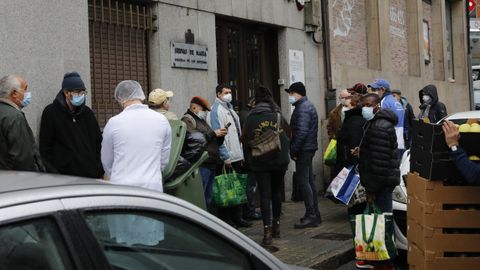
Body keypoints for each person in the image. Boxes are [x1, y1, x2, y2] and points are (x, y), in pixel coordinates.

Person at [101, 80, 172, 192]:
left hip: (122, 189)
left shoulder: (113, 123)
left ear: (121, 99)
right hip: (152, 188)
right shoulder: (162, 121)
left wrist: (117, 175)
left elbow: (107, 160)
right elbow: (163, 160)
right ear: (141, 96)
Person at [243, 86, 290, 245]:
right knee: (276, 193)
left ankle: (266, 232)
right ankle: (276, 227)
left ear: (256, 99)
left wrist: (248, 157)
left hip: (260, 160)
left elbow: (245, 139)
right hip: (279, 160)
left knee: (264, 195)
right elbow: (289, 135)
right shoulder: (278, 115)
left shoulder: (251, 117)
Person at [39, 72, 103, 178]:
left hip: (90, 175)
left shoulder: (87, 113)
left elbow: (98, 141)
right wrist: (54, 173)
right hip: (64, 177)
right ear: (66, 92)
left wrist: (98, 168)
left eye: (83, 91)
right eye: (77, 92)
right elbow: (45, 147)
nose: (81, 95)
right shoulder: (51, 112)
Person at [207, 84, 251, 228]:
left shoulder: (230, 108)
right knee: (226, 188)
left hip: (237, 154)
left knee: (236, 187)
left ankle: (237, 218)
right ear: (218, 94)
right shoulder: (216, 110)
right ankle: (227, 220)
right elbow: (218, 135)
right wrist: (226, 157)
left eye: (230, 92)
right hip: (227, 157)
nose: (229, 95)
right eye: (226, 92)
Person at [285, 82, 321, 228]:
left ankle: (311, 215)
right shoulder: (305, 106)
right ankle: (315, 214)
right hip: (308, 148)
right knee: (309, 182)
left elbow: (301, 132)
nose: (289, 96)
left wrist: (293, 150)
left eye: (291, 93)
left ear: (298, 93)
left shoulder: (303, 109)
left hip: (304, 149)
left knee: (303, 182)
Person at [181, 96, 227, 209]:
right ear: (194, 108)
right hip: (202, 164)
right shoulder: (187, 120)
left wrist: (220, 136)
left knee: (208, 197)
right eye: (203, 110)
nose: (205, 113)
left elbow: (211, 138)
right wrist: (214, 134)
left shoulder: (202, 121)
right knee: (201, 197)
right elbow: (195, 139)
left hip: (211, 162)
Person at [358, 94, 400, 213]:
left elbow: (379, 164)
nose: (365, 108)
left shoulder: (379, 127)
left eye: (369, 105)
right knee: (383, 217)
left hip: (381, 183)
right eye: (364, 105)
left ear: (377, 106)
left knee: (382, 220)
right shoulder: (375, 123)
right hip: (383, 181)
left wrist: (371, 190)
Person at [0, 75, 43, 171]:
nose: (28, 94)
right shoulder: (14, 117)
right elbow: (23, 158)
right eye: (25, 89)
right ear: (14, 93)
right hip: (16, 181)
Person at [368, 78, 405, 156]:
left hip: (389, 144)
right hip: (400, 142)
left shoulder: (384, 102)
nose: (373, 91)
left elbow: (382, 124)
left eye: (374, 89)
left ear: (382, 89)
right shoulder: (396, 101)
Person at [334, 95, 366, 176]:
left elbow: (354, 144)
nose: (343, 108)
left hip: (349, 164)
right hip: (346, 161)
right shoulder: (350, 120)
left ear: (354, 106)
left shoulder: (354, 122)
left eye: (346, 106)